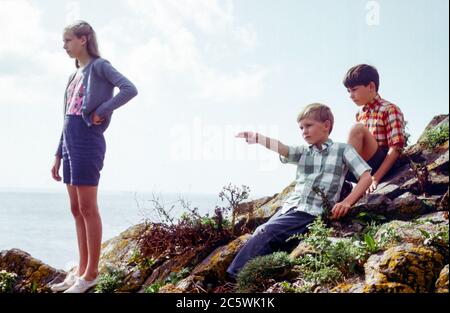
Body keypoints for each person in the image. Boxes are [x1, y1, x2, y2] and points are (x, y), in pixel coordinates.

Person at [226, 103, 372, 279]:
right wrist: (258, 138)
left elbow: (366, 177)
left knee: (265, 232)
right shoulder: (304, 152)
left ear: (326, 125)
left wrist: (346, 202)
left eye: (309, 125)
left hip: (312, 212)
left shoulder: (342, 150)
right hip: (290, 207)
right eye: (301, 127)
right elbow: (282, 148)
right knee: (263, 236)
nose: (304, 131)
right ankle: (254, 276)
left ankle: (233, 279)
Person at [50, 21, 138, 293]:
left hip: (87, 141)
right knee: (76, 209)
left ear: (83, 39)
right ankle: (81, 270)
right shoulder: (73, 76)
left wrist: (103, 109)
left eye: (67, 40)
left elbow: (129, 88)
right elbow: (66, 119)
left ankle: (91, 274)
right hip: (70, 142)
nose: (64, 45)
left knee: (89, 208)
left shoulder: (100, 66)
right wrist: (57, 155)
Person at [343, 64, 406, 193]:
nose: (351, 95)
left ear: (371, 86)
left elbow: (396, 148)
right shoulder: (360, 113)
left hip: (382, 163)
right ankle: (342, 182)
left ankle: (339, 176)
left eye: (354, 90)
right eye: (349, 91)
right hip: (364, 165)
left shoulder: (389, 109)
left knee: (356, 128)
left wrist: (375, 178)